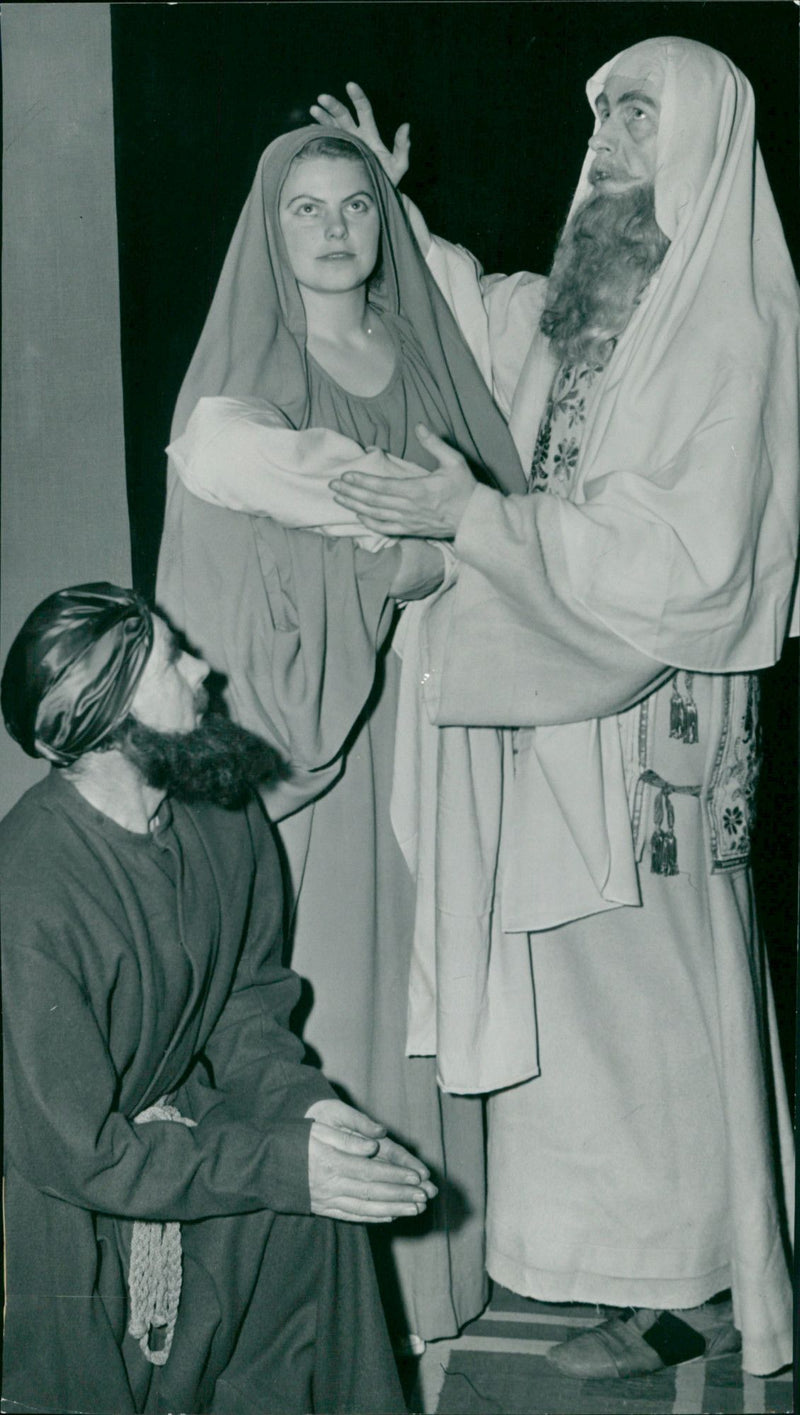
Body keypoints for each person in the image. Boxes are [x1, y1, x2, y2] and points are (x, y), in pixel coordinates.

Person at [320, 39, 798, 1379]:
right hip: (553, 695)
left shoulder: (740, 329)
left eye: (633, 115)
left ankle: (696, 1278)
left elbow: (686, 561)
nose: (603, 138)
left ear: (702, 135)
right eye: (598, 115)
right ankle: (598, 1261)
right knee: (577, 1004)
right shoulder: (598, 299)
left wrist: (478, 519)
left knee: (657, 1006)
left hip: (651, 729)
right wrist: (391, 212)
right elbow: (491, 317)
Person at [155, 124, 527, 1345]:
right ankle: (316, 1300)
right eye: (303, 209)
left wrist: (424, 551)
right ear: (271, 229)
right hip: (311, 735)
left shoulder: (420, 353)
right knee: (319, 988)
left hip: (431, 726)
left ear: (384, 221)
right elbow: (245, 554)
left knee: (419, 980)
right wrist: (407, 557)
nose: (329, 229)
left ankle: (429, 1282)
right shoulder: (250, 372)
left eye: (352, 205)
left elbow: (498, 515)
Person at [0, 581, 442, 1415]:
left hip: (167, 1133)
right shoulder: (27, 889)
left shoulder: (219, 812)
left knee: (326, 1202)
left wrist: (306, 1111)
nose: (205, 670)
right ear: (105, 724)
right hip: (57, 1194)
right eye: (173, 659)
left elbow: (246, 1004)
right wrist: (275, 1165)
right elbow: (79, 1152)